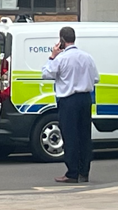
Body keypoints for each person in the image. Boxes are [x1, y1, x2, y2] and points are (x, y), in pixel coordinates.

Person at [42, 26, 99, 184]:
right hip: (85, 99)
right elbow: (96, 79)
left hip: (69, 100)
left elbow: (46, 74)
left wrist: (52, 56)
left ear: (61, 40)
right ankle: (84, 172)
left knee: (70, 136)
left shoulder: (61, 58)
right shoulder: (87, 57)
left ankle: (72, 173)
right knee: (84, 136)